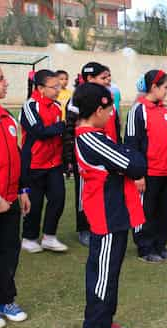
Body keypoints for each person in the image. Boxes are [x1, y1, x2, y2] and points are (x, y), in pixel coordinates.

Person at [74, 83, 146, 328]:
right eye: (109, 110)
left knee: (111, 272)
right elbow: (135, 165)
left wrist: (125, 156)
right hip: (105, 216)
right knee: (102, 276)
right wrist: (128, 156)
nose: (111, 114)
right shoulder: (90, 138)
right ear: (97, 110)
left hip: (115, 212)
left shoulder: (99, 136)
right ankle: (94, 327)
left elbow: (125, 158)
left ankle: (104, 322)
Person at [126, 70, 167, 263]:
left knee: (164, 211)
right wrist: (137, 175)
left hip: (166, 171)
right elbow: (131, 145)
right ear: (154, 87)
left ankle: (160, 245)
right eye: (164, 87)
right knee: (146, 211)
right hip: (148, 173)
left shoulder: (165, 111)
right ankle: (145, 248)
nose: (166, 91)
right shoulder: (138, 110)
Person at [63, 62, 115, 247]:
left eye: (109, 76)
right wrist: (69, 158)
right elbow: (69, 129)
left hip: (106, 152)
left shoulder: (107, 98)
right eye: (104, 77)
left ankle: (100, 224)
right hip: (86, 155)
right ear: (90, 79)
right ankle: (84, 228)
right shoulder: (78, 100)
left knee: (105, 190)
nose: (108, 80)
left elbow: (115, 125)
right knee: (84, 193)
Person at [20, 69, 68, 253]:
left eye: (59, 85)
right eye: (54, 86)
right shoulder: (30, 106)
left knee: (58, 198)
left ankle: (49, 236)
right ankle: (29, 238)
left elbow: (56, 133)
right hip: (34, 164)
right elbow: (38, 131)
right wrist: (61, 126)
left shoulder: (56, 106)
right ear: (40, 88)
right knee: (35, 203)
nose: (58, 89)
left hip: (54, 163)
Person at [0, 65, 30, 328]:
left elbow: (15, 160)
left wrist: (22, 190)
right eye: (0, 79)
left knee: (10, 251)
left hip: (10, 201)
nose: (5, 83)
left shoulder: (8, 119)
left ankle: (6, 300)